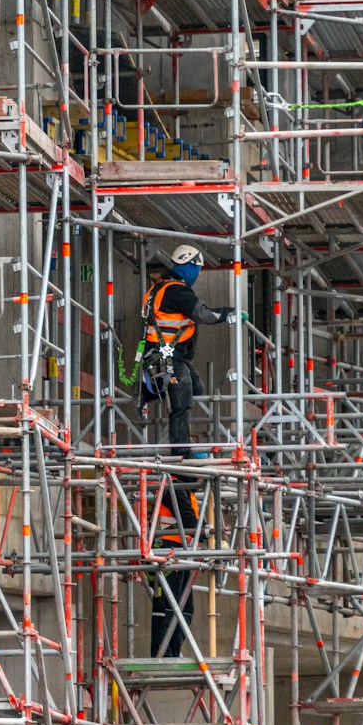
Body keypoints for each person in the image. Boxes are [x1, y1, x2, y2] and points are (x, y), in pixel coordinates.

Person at [140, 245, 240, 457]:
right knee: (181, 403)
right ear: (189, 266)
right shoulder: (176, 291)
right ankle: (180, 450)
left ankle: (172, 440)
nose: (198, 274)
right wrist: (229, 313)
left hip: (163, 356)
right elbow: (202, 314)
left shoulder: (158, 289)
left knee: (196, 388)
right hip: (168, 358)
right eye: (198, 269)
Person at [149, 476, 200, 657]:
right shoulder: (173, 485)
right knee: (168, 606)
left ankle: (174, 651)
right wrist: (208, 532)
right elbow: (188, 518)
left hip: (180, 551)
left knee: (184, 608)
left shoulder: (184, 488)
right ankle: (163, 654)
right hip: (167, 551)